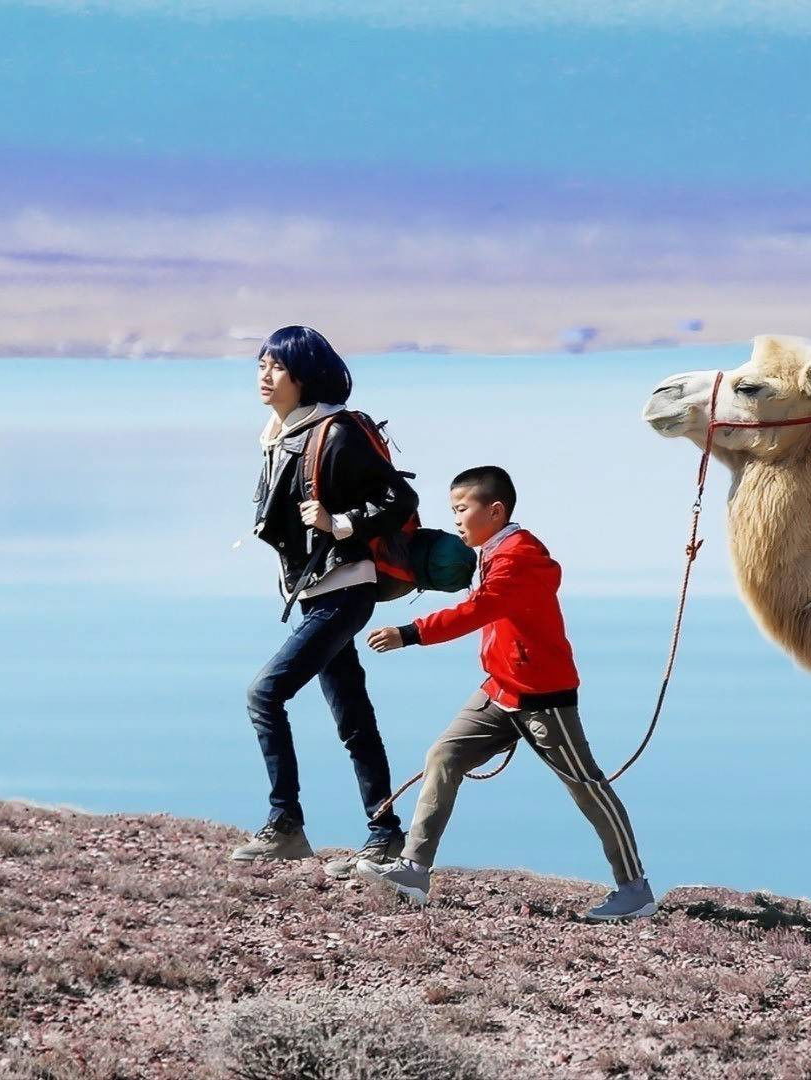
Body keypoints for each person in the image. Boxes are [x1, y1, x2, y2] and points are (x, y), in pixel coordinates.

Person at [357, 466, 655, 920]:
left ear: (495, 512)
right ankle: (414, 870)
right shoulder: (495, 552)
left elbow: (480, 609)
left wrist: (410, 633)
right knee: (444, 756)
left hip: (542, 696)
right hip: (500, 689)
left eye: (462, 508)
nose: (455, 518)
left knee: (586, 786)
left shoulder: (519, 557)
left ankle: (635, 889)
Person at [231, 326, 416, 878]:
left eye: (277, 367)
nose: (265, 376)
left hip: (345, 589)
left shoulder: (335, 431)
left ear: (304, 376)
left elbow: (400, 497)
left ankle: (285, 823)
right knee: (352, 715)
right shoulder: (285, 434)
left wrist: (341, 524)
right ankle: (384, 833)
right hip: (320, 594)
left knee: (264, 694)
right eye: (261, 365)